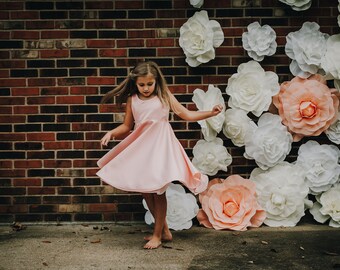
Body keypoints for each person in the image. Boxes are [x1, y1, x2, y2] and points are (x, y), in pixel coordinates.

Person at [96, 61, 223, 249]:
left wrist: (210, 113)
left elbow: (186, 114)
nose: (146, 88)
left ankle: (157, 235)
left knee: (158, 190)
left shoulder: (164, 96)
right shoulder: (133, 99)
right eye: (142, 85)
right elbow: (126, 126)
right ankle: (164, 230)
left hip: (161, 149)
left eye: (150, 84)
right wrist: (111, 133)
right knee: (146, 190)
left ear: (156, 82)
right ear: (135, 83)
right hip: (142, 150)